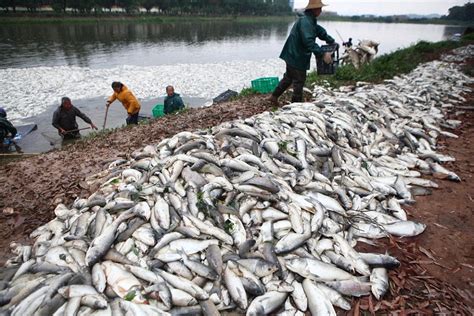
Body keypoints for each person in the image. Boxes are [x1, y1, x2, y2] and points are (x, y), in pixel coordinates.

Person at [269, 0, 336, 105]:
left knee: (289, 77)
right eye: (319, 8)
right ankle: (296, 106)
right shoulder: (306, 21)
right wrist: (322, 54)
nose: (321, 10)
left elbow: (319, 31)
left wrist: (330, 40)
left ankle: (274, 97)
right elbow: (308, 41)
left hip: (292, 54)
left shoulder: (310, 20)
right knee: (299, 80)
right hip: (296, 55)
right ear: (313, 9)